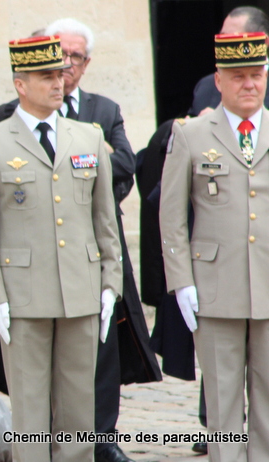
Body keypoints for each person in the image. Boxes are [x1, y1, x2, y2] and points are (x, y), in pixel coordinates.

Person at [0, 18, 158, 462]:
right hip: (23, 297)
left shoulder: (89, 138)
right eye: (46, 76)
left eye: (60, 73)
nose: (59, 83)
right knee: (31, 414)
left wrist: (110, 283)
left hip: (81, 292)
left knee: (79, 412)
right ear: (21, 84)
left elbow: (104, 221)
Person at [160, 32, 269, 462]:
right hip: (215, 286)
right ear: (218, 81)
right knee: (223, 402)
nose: (249, 85)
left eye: (256, 75)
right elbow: (170, 216)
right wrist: (181, 282)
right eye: (238, 76)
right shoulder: (191, 134)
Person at [189, 6, 269, 117]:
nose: (225, 46)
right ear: (218, 81)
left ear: (263, 42)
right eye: (222, 38)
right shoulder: (205, 88)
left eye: (232, 39)